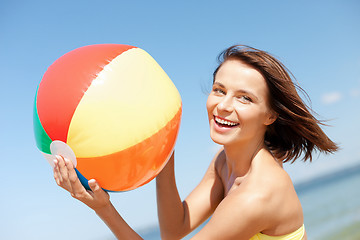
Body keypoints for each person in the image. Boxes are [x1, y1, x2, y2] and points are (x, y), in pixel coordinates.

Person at [53, 45, 338, 240]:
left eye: (245, 98)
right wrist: (163, 149)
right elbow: (174, 229)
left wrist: (103, 208)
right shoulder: (225, 162)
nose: (223, 106)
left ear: (270, 115)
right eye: (219, 90)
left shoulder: (257, 195)